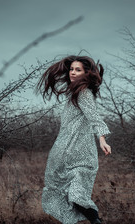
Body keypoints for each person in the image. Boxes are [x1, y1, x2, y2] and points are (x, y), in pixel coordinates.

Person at [37, 55, 111, 224]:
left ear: (86, 73)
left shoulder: (84, 93)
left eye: (78, 70)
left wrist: (102, 139)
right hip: (64, 154)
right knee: (66, 196)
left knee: (77, 196)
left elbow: (95, 118)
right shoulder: (74, 93)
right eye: (71, 69)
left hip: (81, 156)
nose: (73, 72)